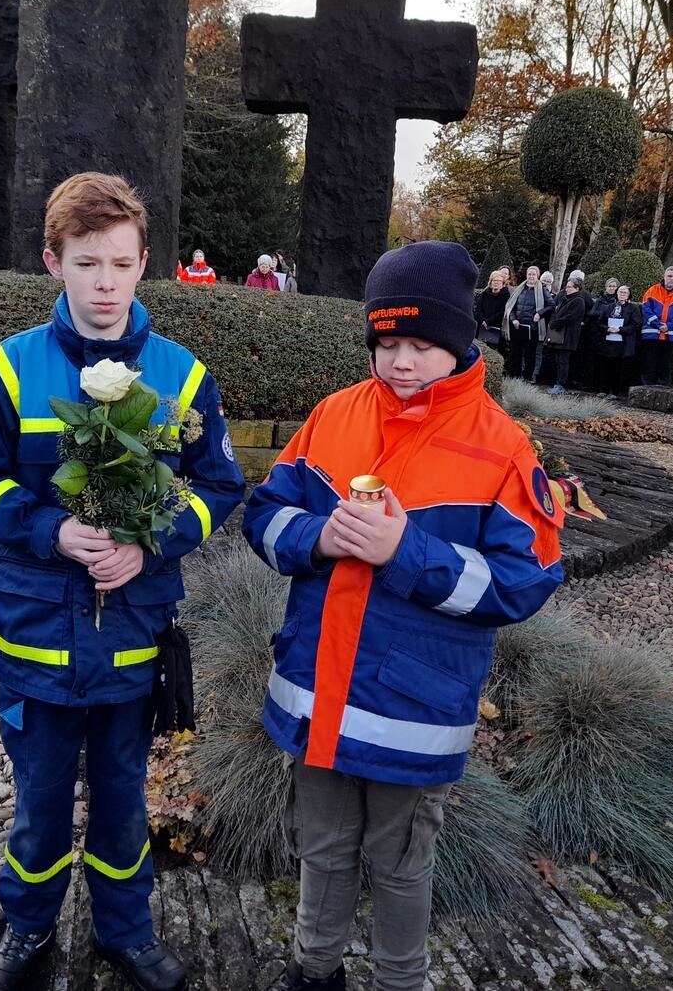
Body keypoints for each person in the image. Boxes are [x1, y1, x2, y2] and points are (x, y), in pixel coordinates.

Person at [0, 172, 245, 991]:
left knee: (121, 799)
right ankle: (28, 928)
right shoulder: (8, 369)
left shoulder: (182, 377)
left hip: (133, 637)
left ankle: (126, 932)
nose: (104, 283)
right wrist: (51, 530)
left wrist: (150, 546)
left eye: (119, 262)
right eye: (85, 263)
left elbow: (220, 486)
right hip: (35, 636)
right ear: (53, 262)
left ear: (145, 263)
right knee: (39, 803)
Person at [242, 239, 563, 991]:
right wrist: (317, 537)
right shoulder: (333, 415)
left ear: (460, 339)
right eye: (387, 342)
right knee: (322, 848)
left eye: (421, 344)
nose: (401, 361)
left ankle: (399, 979)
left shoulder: (502, 448)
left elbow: (526, 580)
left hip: (413, 711)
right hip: (318, 694)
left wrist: (405, 552)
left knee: (400, 862)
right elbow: (264, 514)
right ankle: (314, 970)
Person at [640, 266, 673, 386]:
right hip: (652, 333)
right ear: (664, 276)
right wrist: (658, 325)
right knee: (649, 361)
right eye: (669, 276)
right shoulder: (652, 290)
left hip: (671, 334)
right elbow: (646, 309)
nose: (671, 278)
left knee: (666, 362)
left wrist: (669, 326)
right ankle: (646, 386)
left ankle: (663, 387)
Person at [501, 265, 550, 381]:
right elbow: (510, 307)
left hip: (532, 329)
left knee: (529, 355)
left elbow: (551, 305)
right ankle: (514, 377)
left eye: (534, 274)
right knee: (515, 353)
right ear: (526, 275)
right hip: (517, 327)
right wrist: (513, 319)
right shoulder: (519, 289)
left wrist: (540, 314)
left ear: (537, 276)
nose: (531, 276)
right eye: (529, 274)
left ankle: (527, 378)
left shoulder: (542, 290)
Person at [590, 284, 640, 398]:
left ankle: (614, 392)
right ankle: (603, 389)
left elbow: (635, 325)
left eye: (625, 292)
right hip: (607, 342)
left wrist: (620, 330)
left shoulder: (633, 308)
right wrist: (607, 328)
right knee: (605, 367)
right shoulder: (608, 307)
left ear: (629, 295)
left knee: (618, 368)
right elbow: (599, 322)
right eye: (620, 292)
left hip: (623, 344)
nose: (622, 294)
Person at [545, 272, 591, 395]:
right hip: (560, 334)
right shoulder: (566, 298)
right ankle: (558, 383)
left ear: (577, 288)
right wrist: (553, 321)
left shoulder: (578, 301)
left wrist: (554, 323)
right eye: (567, 286)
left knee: (563, 361)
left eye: (569, 287)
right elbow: (556, 312)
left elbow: (570, 317)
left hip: (568, 336)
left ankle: (561, 385)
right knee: (558, 360)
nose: (567, 289)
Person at [474, 268, 509, 350]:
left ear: (503, 283)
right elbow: (478, 309)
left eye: (499, 281)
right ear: (490, 282)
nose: (496, 282)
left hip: (496, 327)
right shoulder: (485, 293)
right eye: (494, 280)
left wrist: (488, 321)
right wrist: (483, 321)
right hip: (482, 326)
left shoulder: (506, 295)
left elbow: (502, 312)